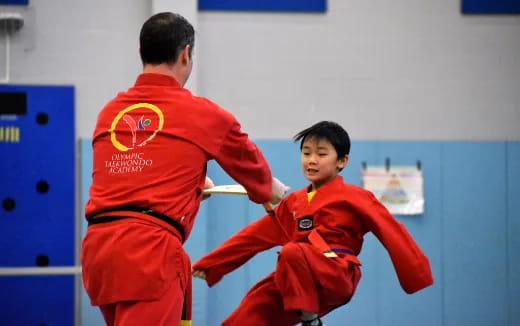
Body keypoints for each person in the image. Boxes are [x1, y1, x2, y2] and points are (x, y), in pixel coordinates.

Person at [80, 12, 287, 326]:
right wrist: (284, 193)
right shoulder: (205, 115)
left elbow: (128, 175)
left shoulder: (109, 113)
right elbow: (262, 187)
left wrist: (189, 186)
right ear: (185, 54)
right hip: (149, 255)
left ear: (141, 53)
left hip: (99, 255)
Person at [192, 121, 434, 326]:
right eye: (306, 153)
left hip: (336, 274)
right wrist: (213, 263)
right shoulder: (294, 202)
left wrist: (416, 271)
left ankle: (310, 320)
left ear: (342, 161)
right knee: (252, 307)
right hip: (297, 275)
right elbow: (254, 237)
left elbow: (391, 231)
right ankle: (303, 313)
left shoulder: (356, 197)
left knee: (293, 251)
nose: (312, 160)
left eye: (321, 153)